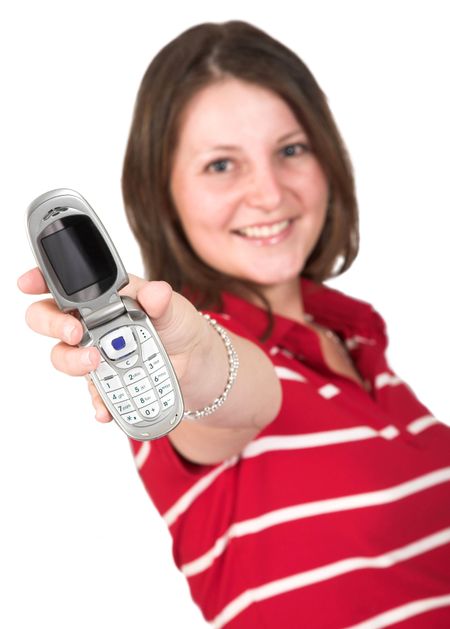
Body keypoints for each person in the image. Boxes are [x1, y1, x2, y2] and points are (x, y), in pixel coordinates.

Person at [18, 20, 450, 628]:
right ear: (162, 194)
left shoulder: (354, 339)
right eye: (222, 165)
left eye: (291, 150)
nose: (269, 194)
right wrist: (192, 355)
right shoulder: (180, 344)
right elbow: (243, 392)